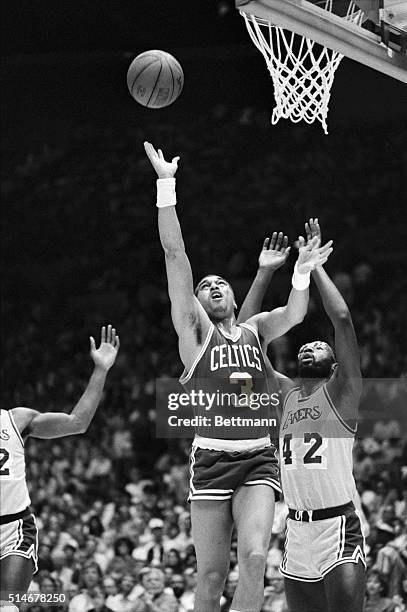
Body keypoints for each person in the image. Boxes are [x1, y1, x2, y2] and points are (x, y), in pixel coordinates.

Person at [144, 142, 333, 612]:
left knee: (253, 559)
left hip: (257, 460)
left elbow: (292, 313)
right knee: (208, 579)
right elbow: (174, 255)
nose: (212, 287)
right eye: (204, 286)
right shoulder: (194, 334)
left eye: (219, 283)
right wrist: (166, 185)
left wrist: (303, 272)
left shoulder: (254, 330)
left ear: (231, 296)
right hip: (210, 461)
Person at [239, 218, 366, 612]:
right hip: (296, 534)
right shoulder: (285, 395)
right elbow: (246, 338)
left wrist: (313, 267)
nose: (310, 345)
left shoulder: (343, 394)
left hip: (336, 529)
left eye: (319, 346)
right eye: (306, 345)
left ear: (334, 366)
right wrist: (266, 274)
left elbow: (341, 319)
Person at [0, 325, 120, 607]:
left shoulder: (15, 419)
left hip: (13, 530)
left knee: (6, 603)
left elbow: (77, 423)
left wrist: (101, 369)